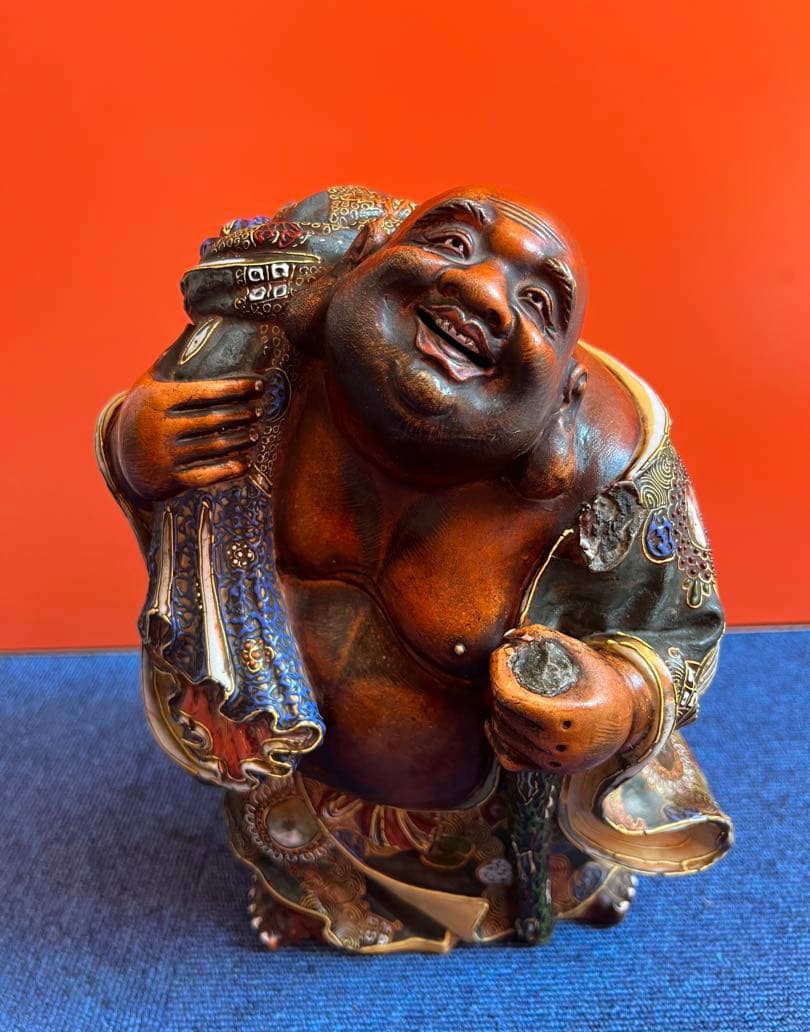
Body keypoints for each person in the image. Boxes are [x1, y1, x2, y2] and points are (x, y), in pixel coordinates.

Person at [97, 185, 732, 953]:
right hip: (301, 772)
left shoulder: (620, 467)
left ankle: (564, 875)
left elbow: (684, 631)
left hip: (491, 810)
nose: (484, 294)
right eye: (452, 244)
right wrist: (134, 445)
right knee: (296, 853)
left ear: (567, 395)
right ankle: (314, 884)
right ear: (361, 259)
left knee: (573, 868)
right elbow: (159, 421)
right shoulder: (261, 344)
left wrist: (619, 704)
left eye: (537, 302)